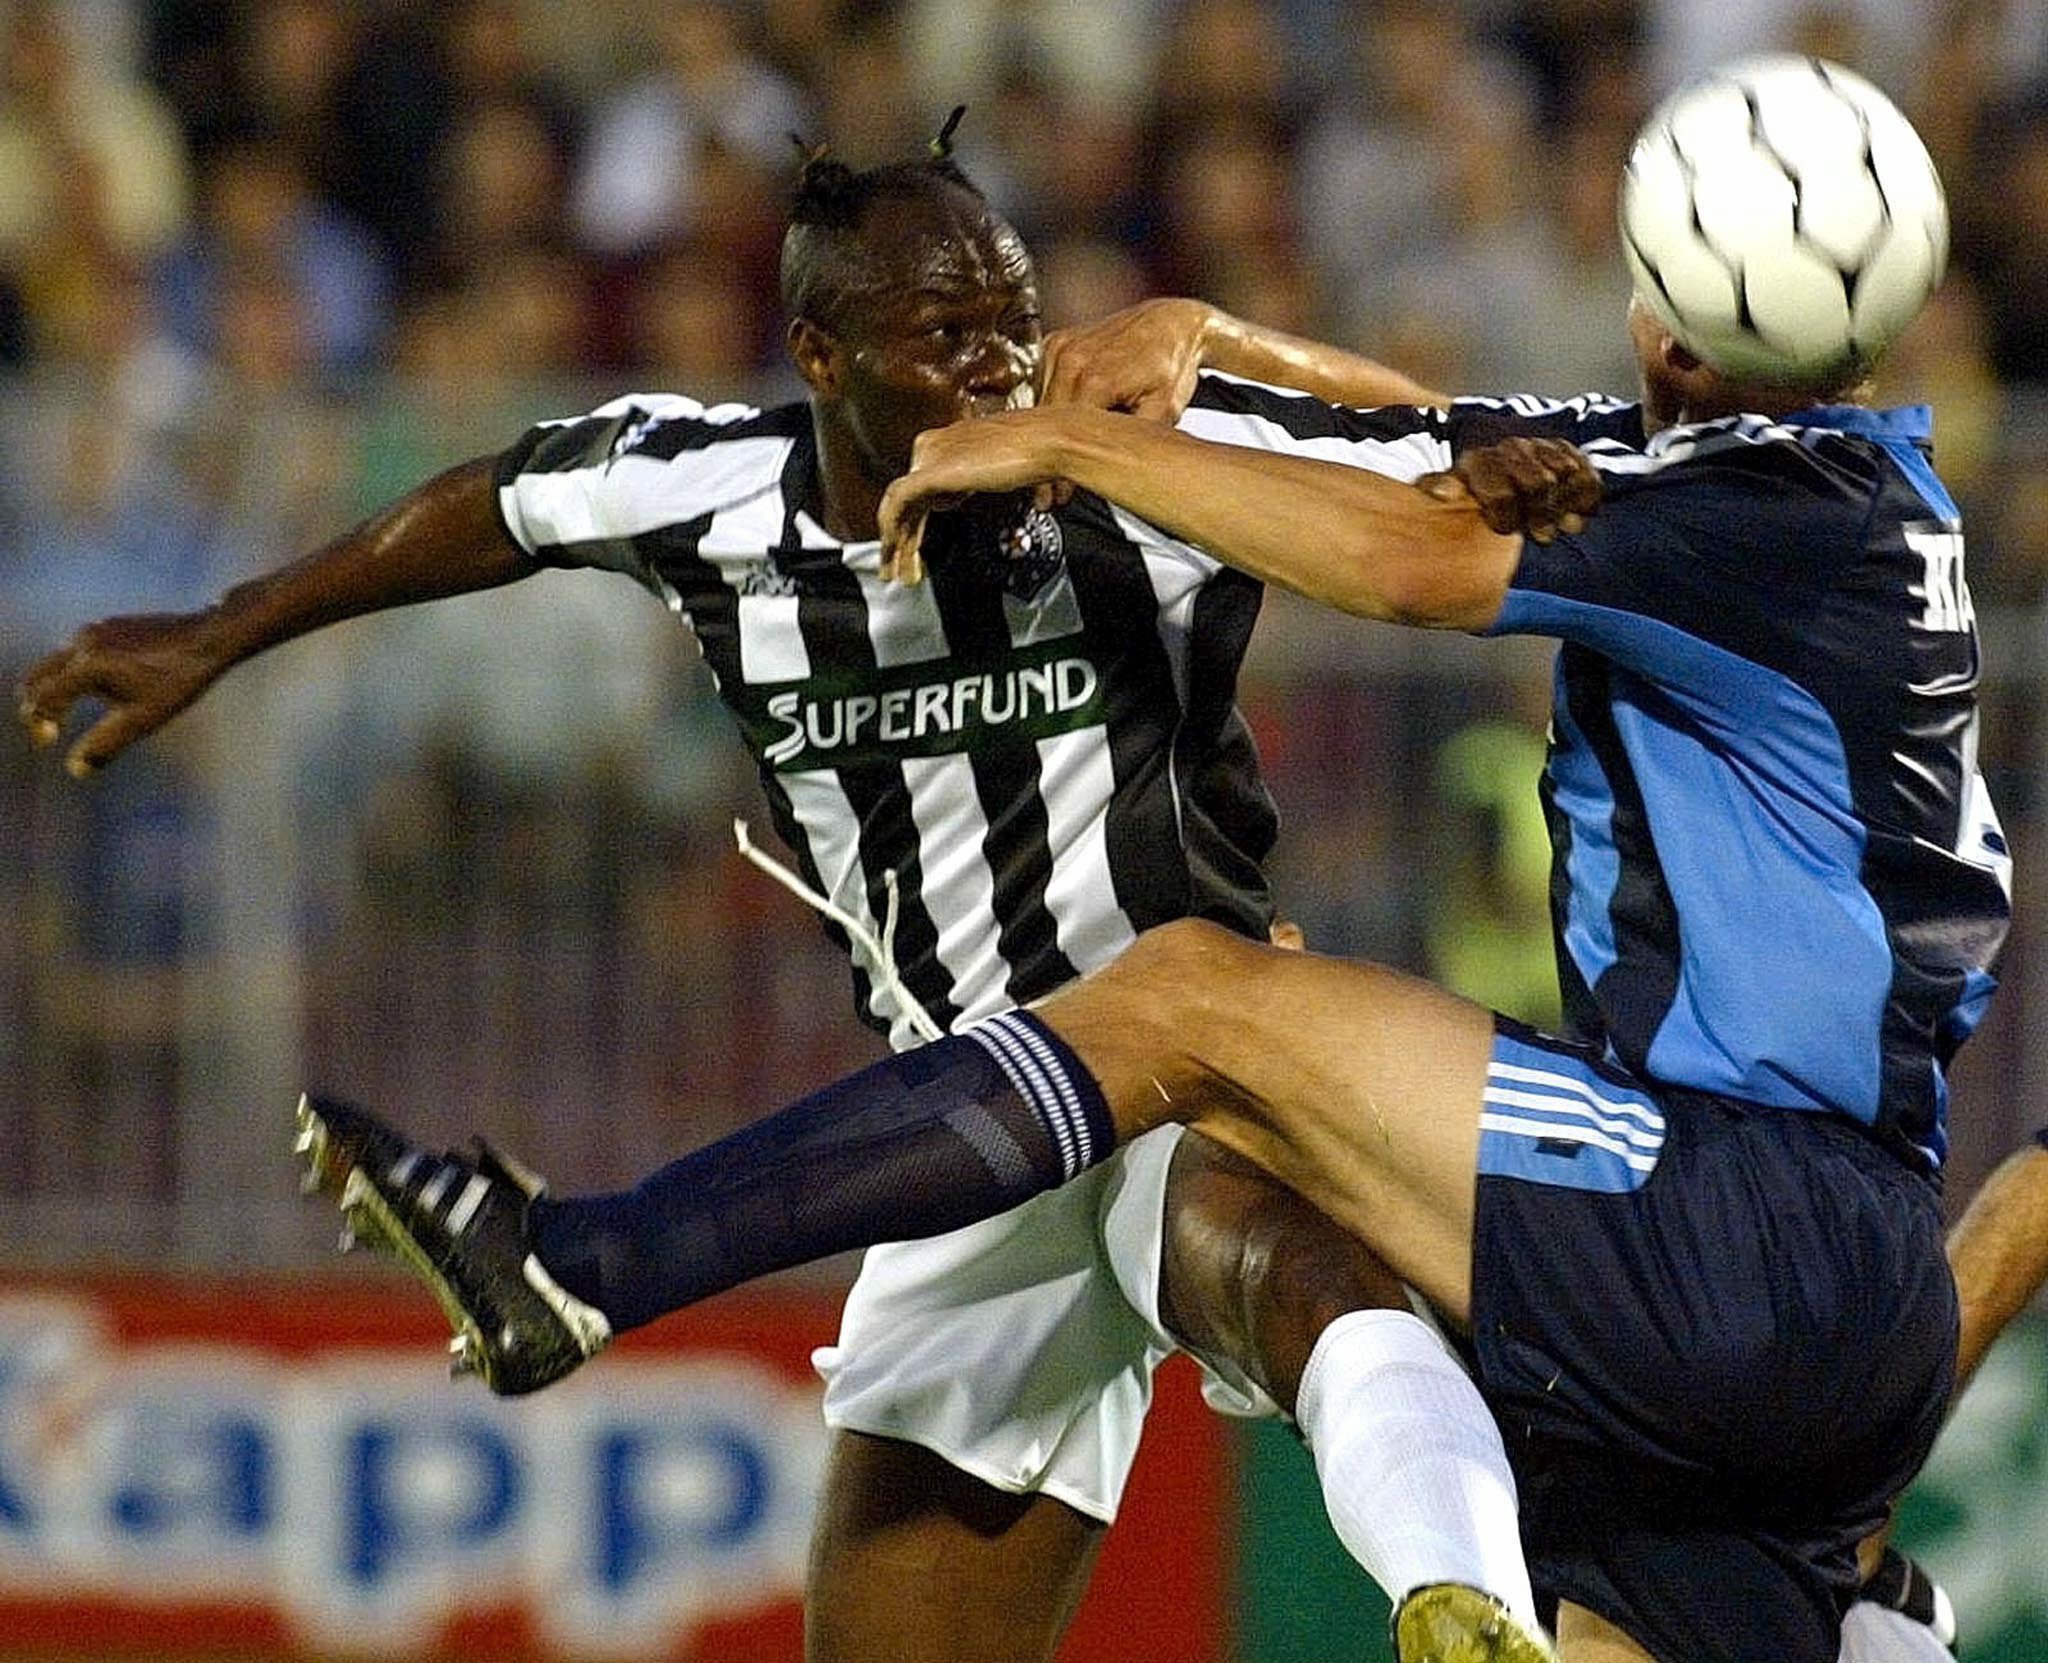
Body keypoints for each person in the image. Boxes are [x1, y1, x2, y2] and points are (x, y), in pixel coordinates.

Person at [251, 100, 2007, 1658]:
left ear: (1670, 314)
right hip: (1827, 1291)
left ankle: (593, 1258)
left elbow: (1406, 553)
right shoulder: (1802, 484)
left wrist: (1083, 440)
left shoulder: (1759, 513)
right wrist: (1213, 333)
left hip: (1726, 1205)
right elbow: (1439, 433)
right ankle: (1819, 1605)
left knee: (1200, 1013)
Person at [16, 128, 1584, 1663]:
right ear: (822, 360)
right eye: (944, 335)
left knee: (1279, 1265)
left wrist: (1460, 439)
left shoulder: (1138, 449)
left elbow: (1432, 445)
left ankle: (1465, 1608)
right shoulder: (705, 496)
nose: (995, 368)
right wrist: (221, 629)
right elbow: (498, 505)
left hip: (1181, 1058)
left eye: (1010, 322)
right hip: (947, 1145)